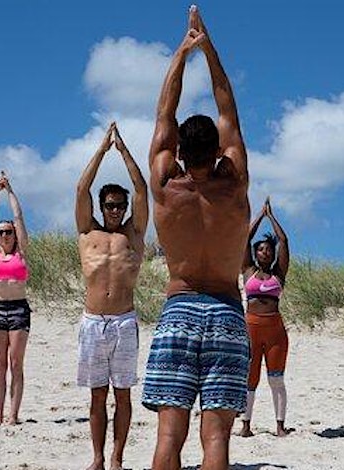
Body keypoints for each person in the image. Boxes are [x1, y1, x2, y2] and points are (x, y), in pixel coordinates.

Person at [141, 6, 250, 470]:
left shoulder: (167, 185)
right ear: (221, 153)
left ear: (181, 153)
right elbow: (228, 106)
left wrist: (182, 52)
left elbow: (165, 110)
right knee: (216, 439)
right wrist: (209, 49)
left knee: (169, 435)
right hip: (226, 310)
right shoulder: (234, 185)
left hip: (180, 309)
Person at [75, 122, 148, 470]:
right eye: (110, 205)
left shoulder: (133, 235)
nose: (116, 210)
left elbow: (141, 189)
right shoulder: (88, 231)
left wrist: (123, 151)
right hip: (92, 322)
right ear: (102, 207)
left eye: (120, 205)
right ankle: (98, 458)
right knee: (97, 395)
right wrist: (102, 149)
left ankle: (118, 458)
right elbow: (81, 187)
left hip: (123, 321)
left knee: (123, 394)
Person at [238, 197, 291, 438]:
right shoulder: (247, 270)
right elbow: (246, 238)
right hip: (251, 328)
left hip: (275, 330)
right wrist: (260, 215)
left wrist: (272, 217)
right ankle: (246, 425)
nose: (265, 252)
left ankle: (279, 425)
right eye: (261, 249)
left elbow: (284, 240)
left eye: (268, 250)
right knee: (250, 379)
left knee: (276, 380)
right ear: (256, 254)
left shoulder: (278, 274)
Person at [0, 171, 31, 426]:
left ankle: (13, 415)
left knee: (16, 363)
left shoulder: (21, 252)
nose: (4, 236)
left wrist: (10, 190)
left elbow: (19, 217)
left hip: (19, 310)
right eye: (1, 233)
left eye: (8, 232)